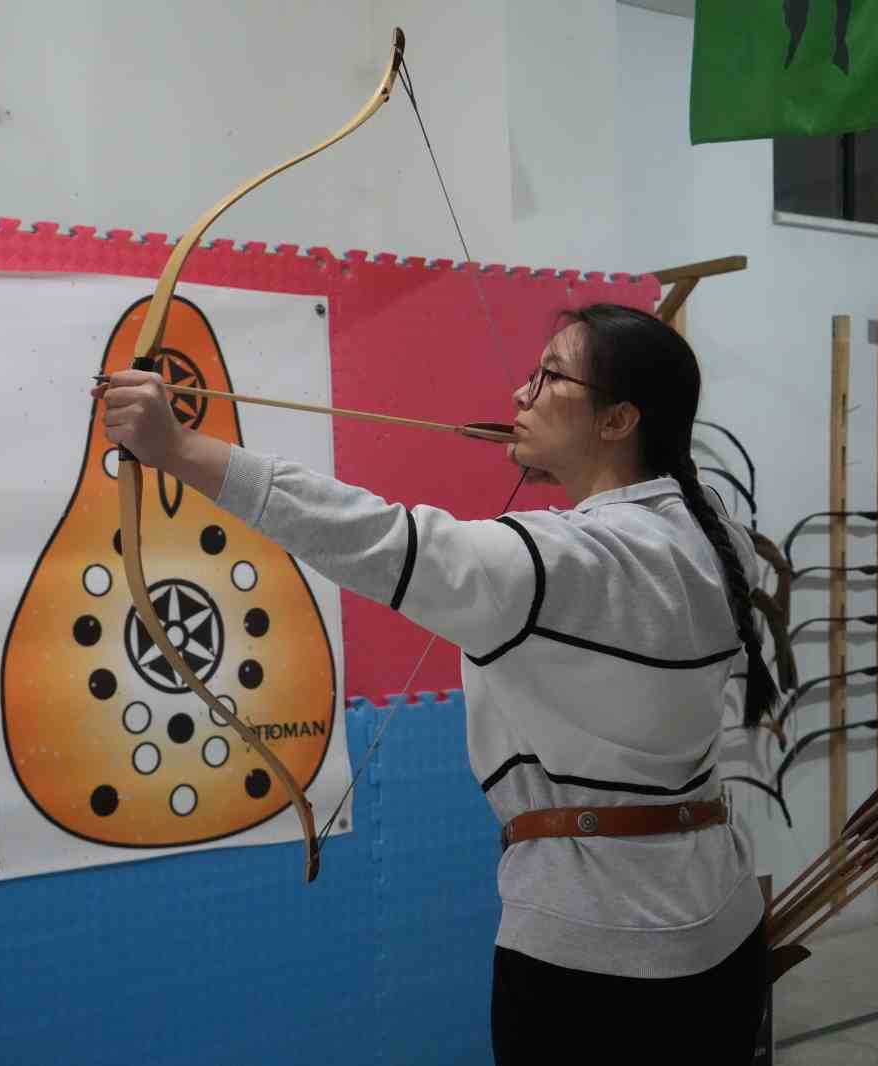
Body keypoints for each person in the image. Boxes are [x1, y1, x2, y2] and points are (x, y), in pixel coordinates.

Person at [95, 302, 773, 1064]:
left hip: (600, 955)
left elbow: (380, 538)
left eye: (549, 377)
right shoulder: (711, 528)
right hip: (725, 918)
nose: (520, 394)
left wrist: (179, 447)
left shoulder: (568, 563)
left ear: (617, 420)